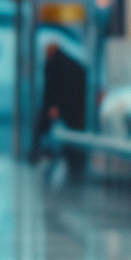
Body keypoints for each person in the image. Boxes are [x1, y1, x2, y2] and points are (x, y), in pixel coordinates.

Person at [37, 41, 87, 173]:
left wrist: (54, 106)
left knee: (48, 127)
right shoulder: (71, 62)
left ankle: (43, 151)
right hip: (76, 104)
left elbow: (51, 89)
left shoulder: (53, 64)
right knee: (74, 130)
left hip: (66, 104)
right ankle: (74, 158)